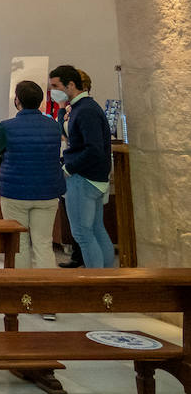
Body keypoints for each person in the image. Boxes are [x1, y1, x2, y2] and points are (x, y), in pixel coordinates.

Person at [0, 80, 64, 276]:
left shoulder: (6, 127)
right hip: (47, 190)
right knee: (43, 242)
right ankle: (48, 293)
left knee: (19, 243)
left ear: (17, 101)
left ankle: (22, 291)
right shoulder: (53, 126)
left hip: (15, 191)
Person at [51, 63, 114, 269]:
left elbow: (94, 148)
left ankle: (97, 281)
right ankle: (107, 277)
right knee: (95, 229)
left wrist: (69, 168)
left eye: (56, 86)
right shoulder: (80, 108)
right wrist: (61, 110)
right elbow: (68, 134)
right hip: (90, 176)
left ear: (70, 85)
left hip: (83, 177)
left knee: (82, 233)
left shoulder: (86, 110)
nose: (53, 91)